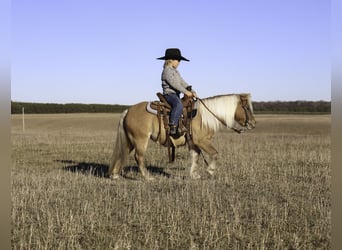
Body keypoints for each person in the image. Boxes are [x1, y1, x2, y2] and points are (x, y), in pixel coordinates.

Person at [157, 48, 197, 135]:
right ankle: (173, 125)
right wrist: (185, 92)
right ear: (170, 60)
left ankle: (182, 124)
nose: (179, 62)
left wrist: (192, 91)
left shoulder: (176, 72)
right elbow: (174, 84)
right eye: (178, 60)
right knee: (178, 104)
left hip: (176, 94)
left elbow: (182, 82)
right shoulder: (167, 71)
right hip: (169, 95)